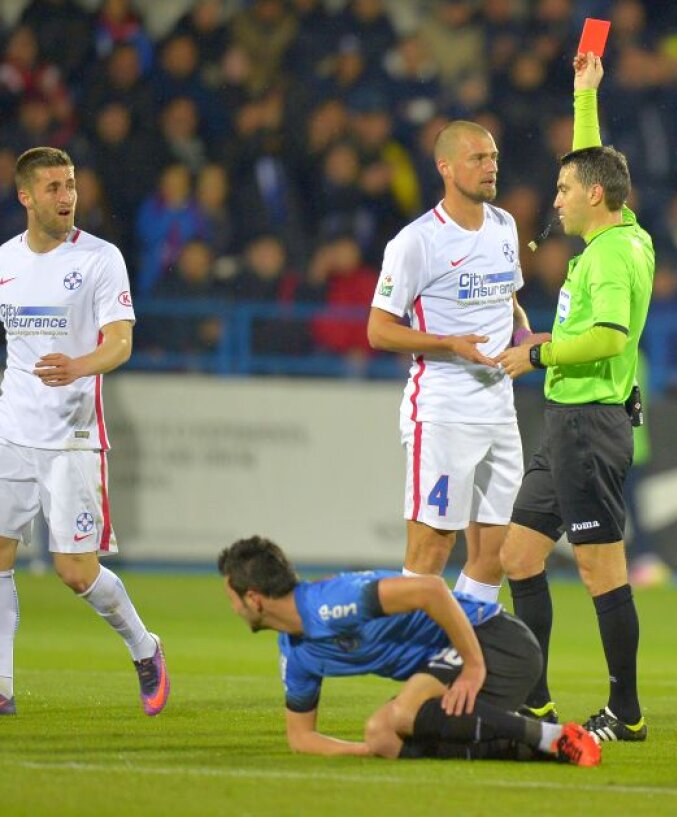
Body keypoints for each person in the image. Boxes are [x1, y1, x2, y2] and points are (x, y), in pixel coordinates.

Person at [495, 53, 654, 743]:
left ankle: (627, 711)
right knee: (518, 556)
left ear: (592, 196)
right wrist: (583, 94)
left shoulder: (612, 256)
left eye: (564, 188)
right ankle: (533, 701)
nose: (554, 199)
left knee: (601, 570)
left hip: (589, 424)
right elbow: (596, 162)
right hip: (566, 423)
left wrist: (536, 352)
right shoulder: (624, 231)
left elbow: (612, 336)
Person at [0, 146, 169, 716]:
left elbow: (120, 342)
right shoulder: (5, 261)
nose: (66, 196)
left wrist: (79, 365)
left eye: (69, 185)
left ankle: (145, 648)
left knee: (75, 572)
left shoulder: (99, 258)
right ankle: (1, 687)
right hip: (11, 431)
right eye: (52, 187)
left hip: (72, 435)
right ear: (25, 196)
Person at [216, 535, 599, 765]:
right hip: (451, 668)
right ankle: (535, 750)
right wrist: (367, 752)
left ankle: (551, 735)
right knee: (383, 732)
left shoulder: (330, 602)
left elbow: (430, 589)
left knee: (403, 713)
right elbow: (301, 738)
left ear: (254, 597)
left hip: (497, 641)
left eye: (231, 597)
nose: (232, 608)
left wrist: (473, 666)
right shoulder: (296, 653)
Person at [367, 120, 543, 604]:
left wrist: (526, 337)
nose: (490, 168)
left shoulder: (505, 226)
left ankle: (461, 661)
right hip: (443, 408)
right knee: (432, 546)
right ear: (445, 167)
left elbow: (509, 303)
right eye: (477, 159)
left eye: (493, 158)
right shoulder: (417, 241)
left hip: (498, 409)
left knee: (495, 550)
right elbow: (378, 329)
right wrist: (450, 344)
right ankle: (412, 664)